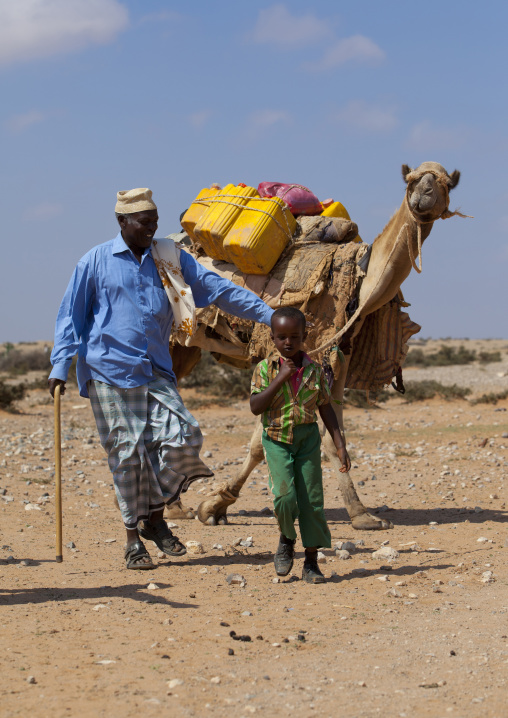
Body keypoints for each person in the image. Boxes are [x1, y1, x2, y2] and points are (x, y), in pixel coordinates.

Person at [48, 188, 274, 570]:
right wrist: (60, 366)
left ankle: (154, 516)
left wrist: (269, 314)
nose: (153, 227)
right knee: (127, 455)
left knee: (184, 436)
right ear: (122, 222)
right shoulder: (95, 261)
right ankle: (133, 539)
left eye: (155, 220)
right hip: (109, 370)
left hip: (154, 368)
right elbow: (71, 316)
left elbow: (216, 289)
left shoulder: (169, 257)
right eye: (144, 221)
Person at [250, 307, 350, 584]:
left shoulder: (315, 371)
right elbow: (255, 406)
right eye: (282, 337)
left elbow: (325, 407)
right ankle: (287, 537)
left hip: (307, 439)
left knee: (311, 501)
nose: (288, 342)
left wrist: (339, 444)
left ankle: (311, 562)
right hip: (277, 439)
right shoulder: (265, 369)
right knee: (284, 497)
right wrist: (280, 377)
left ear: (305, 335)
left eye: (295, 336)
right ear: (272, 338)